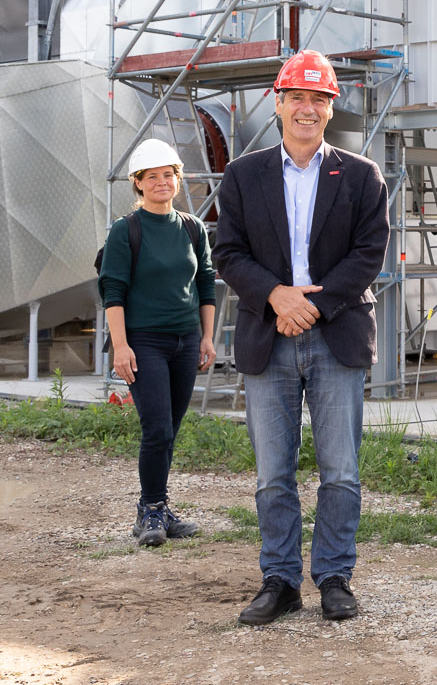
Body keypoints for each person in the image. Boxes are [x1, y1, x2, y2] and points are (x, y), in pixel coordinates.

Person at [215, 50, 390, 626]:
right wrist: (276, 296)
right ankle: (280, 579)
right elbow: (228, 253)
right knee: (272, 473)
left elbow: (369, 254)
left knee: (340, 468)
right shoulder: (244, 174)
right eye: (299, 97)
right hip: (269, 334)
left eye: (320, 99)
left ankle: (334, 577)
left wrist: (310, 306)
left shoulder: (362, 175)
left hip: (335, 333)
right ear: (279, 100)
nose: (309, 108)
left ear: (330, 106)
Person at [99, 138, 217, 547]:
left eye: (169, 175)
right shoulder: (125, 230)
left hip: (185, 341)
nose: (162, 182)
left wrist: (207, 338)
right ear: (138, 183)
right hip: (143, 341)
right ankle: (150, 509)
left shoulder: (192, 226)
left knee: (172, 428)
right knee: (158, 428)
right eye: (153, 177)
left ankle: (158, 508)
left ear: (178, 180)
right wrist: (121, 346)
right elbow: (112, 290)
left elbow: (205, 283)